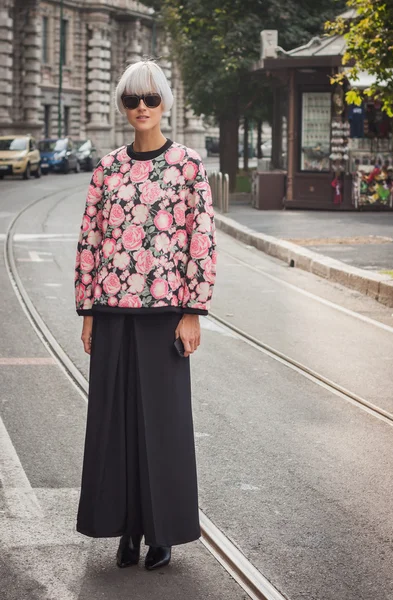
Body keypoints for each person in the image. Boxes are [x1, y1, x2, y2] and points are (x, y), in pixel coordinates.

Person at [74, 58, 217, 571]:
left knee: (164, 425)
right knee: (114, 424)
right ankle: (125, 530)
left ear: (165, 105)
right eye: (132, 99)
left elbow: (201, 242)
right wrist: (88, 312)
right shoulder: (107, 168)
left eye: (151, 99)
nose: (141, 108)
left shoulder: (188, 166)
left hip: (166, 316)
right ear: (123, 105)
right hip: (112, 312)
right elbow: (90, 242)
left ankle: (162, 534)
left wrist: (193, 311)